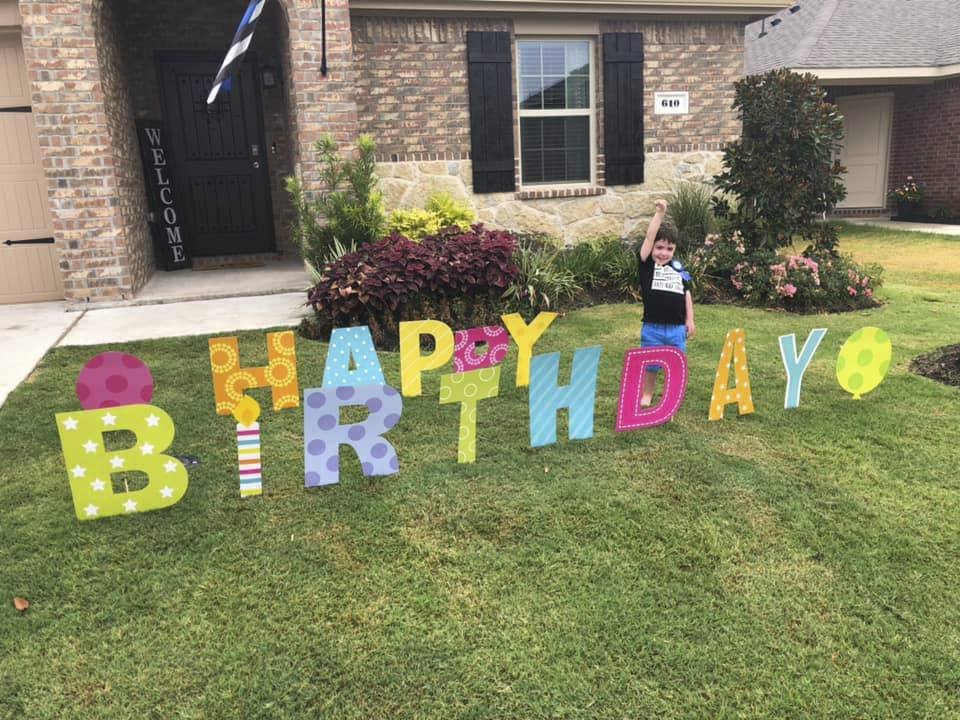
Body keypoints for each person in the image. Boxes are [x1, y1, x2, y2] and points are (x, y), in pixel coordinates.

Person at [636, 199, 695, 407]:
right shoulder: (647, 265)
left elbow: (686, 293)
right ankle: (647, 394)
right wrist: (660, 214)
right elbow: (649, 236)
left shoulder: (679, 269)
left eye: (669, 249)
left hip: (677, 329)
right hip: (652, 328)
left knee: (675, 365)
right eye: (659, 247)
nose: (663, 252)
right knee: (651, 365)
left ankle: (671, 398)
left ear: (675, 249)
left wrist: (690, 319)